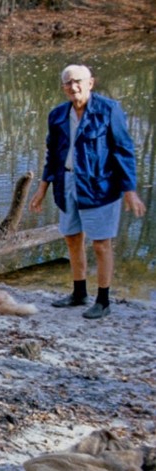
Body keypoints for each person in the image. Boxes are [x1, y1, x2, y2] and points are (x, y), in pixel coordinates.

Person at [28, 64, 146, 319]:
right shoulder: (57, 115)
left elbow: (123, 150)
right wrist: (41, 190)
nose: (74, 87)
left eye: (78, 81)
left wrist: (130, 190)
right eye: (68, 83)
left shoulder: (108, 110)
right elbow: (52, 156)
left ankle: (103, 300)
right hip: (66, 184)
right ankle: (79, 293)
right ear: (63, 88)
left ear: (91, 82)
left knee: (102, 244)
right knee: (72, 238)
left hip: (99, 186)